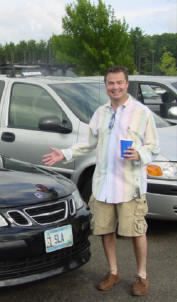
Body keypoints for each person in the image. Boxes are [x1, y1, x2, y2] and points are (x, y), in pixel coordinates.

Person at [42, 66, 159, 296]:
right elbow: (88, 143)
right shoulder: (101, 113)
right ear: (106, 86)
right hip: (104, 185)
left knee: (136, 232)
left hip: (130, 185)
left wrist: (140, 154)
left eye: (119, 83)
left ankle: (142, 276)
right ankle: (113, 272)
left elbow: (153, 146)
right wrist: (65, 153)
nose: (115, 87)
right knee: (105, 231)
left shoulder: (141, 112)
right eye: (111, 83)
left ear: (127, 84)